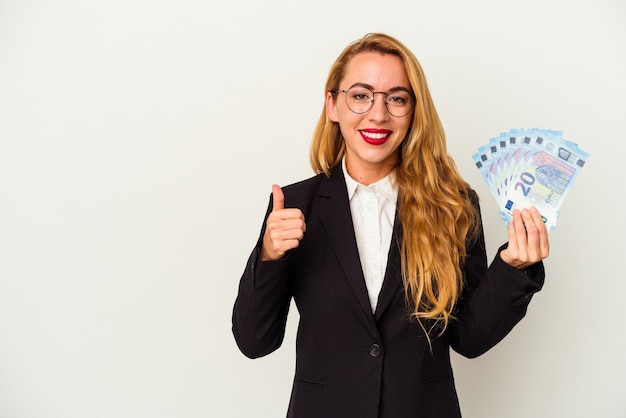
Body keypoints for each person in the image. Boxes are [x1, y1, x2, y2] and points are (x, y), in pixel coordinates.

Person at [232, 33, 549, 418]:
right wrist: (269, 256)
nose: (378, 114)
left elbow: (469, 339)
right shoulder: (295, 206)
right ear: (333, 105)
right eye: (361, 95)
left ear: (414, 110)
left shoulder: (453, 206)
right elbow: (254, 341)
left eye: (396, 98)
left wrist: (513, 269)